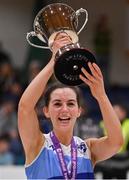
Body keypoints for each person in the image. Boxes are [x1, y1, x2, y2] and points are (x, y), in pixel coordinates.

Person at [18, 32, 123, 179]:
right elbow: (25, 108)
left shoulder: (87, 149)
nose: (64, 109)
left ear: (79, 111)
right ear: (46, 111)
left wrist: (101, 96)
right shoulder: (37, 145)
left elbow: (116, 142)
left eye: (71, 103)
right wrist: (53, 62)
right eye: (57, 103)